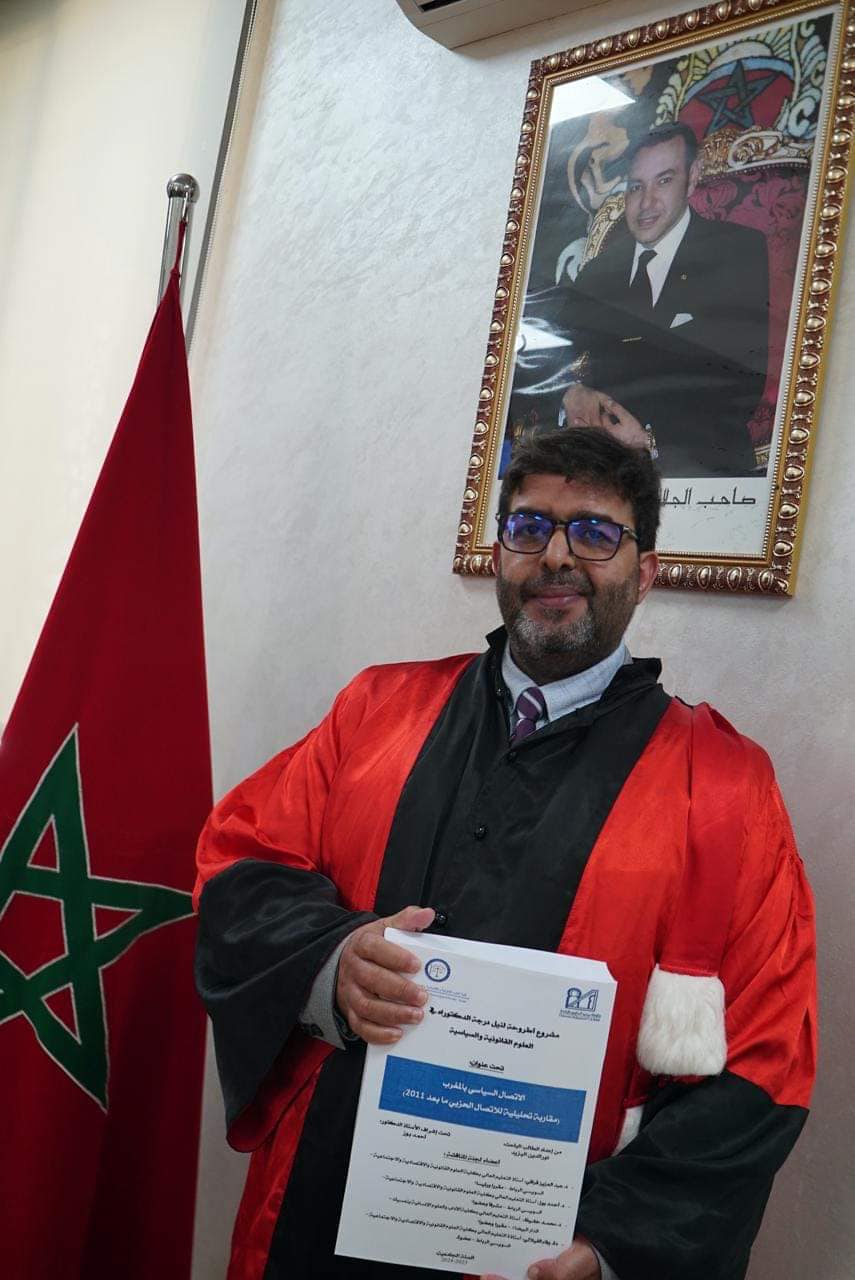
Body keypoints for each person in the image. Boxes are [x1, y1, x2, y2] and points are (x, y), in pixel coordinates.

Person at [194, 428, 815, 1280]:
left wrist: (611, 1239)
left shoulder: (723, 790)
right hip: (324, 1200)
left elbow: (766, 1054)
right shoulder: (376, 712)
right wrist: (331, 961)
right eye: (529, 527)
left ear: (644, 573)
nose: (556, 556)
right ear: (498, 554)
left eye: (594, 533)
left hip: (542, 1239)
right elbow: (241, 858)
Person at [511, 124, 770, 477]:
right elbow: (542, 353)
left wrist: (648, 440)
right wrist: (570, 394)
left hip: (701, 465)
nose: (646, 203)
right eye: (636, 187)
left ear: (693, 178)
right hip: (605, 467)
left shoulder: (735, 251)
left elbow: (742, 385)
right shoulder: (599, 272)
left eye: (664, 181)